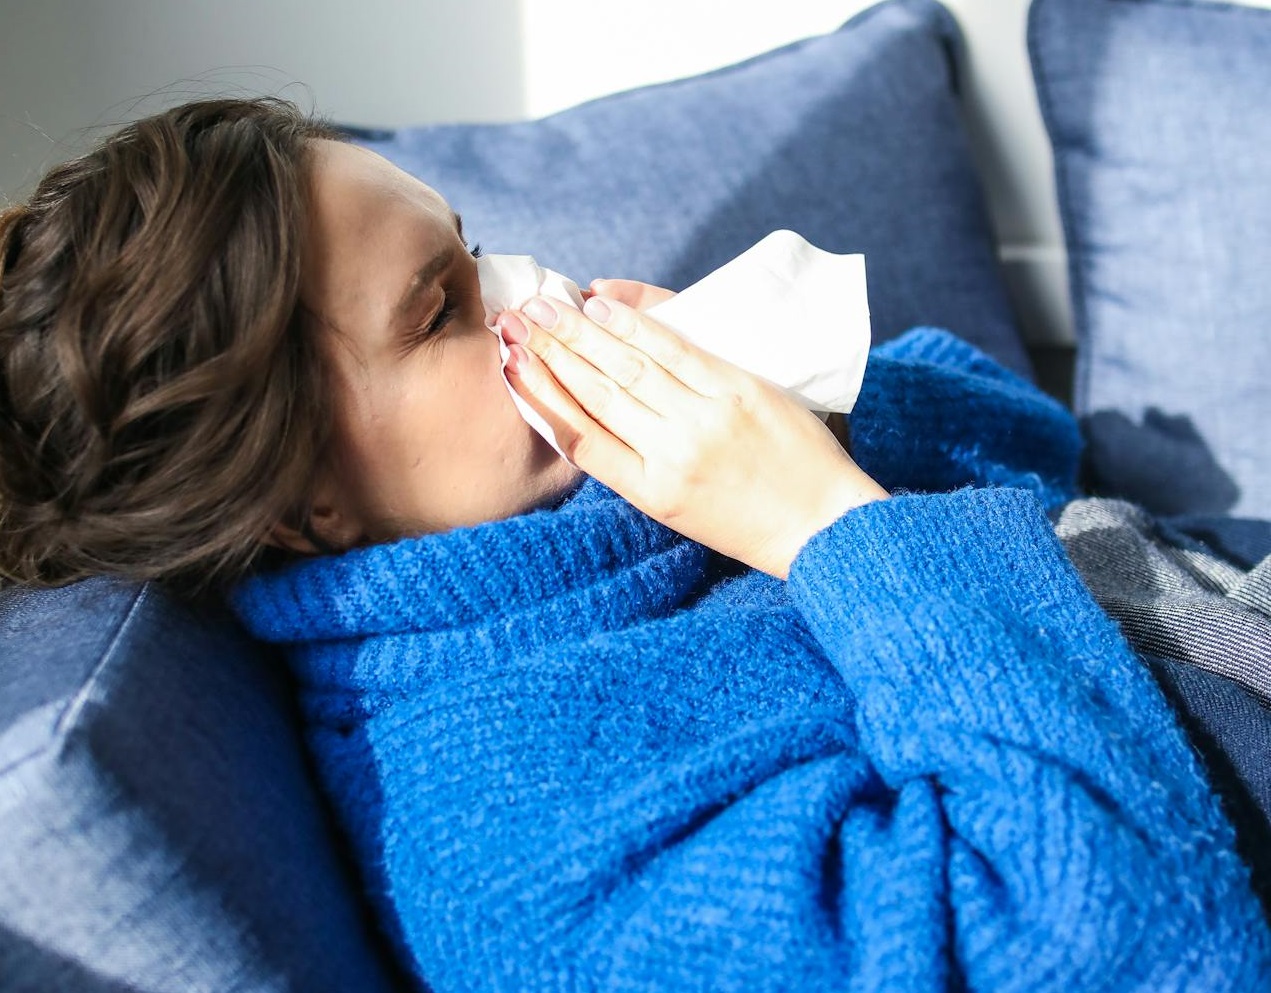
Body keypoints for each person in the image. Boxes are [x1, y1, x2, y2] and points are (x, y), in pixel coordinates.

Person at [1, 98, 1268, 991]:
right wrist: (825, 527)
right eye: (442, 308)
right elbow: (1120, 948)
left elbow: (1039, 449)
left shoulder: (597, 510)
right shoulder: (512, 841)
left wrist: (805, 407)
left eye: (475, 246)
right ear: (299, 500)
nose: (531, 288)